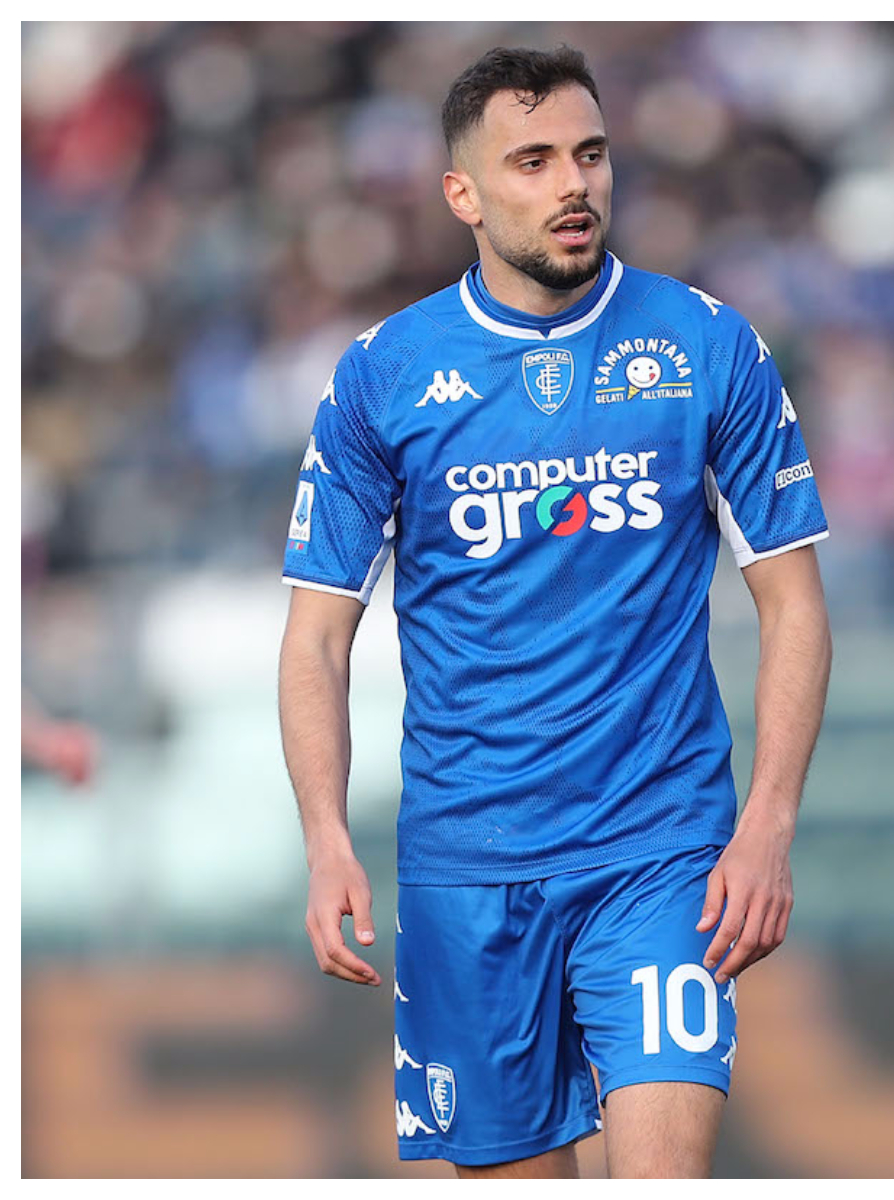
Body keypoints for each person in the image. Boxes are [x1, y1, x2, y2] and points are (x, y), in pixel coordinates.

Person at [278, 45, 832, 1179]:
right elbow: (317, 634)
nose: (572, 183)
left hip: (660, 851)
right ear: (464, 196)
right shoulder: (385, 377)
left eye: (589, 154)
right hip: (467, 866)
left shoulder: (705, 346)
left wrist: (767, 824)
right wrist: (326, 837)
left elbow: (792, 600)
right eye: (531, 161)